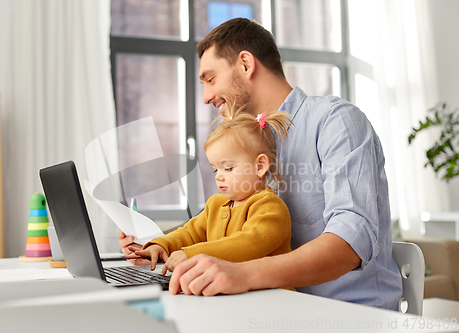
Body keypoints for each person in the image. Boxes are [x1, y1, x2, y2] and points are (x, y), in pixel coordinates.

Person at [119, 18, 402, 310]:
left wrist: (241, 274)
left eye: (210, 79)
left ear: (245, 64)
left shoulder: (335, 121)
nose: (205, 98)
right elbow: (211, 227)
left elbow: (350, 245)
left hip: (348, 315)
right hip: (274, 308)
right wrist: (158, 246)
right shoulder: (247, 143)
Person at [126, 105, 294, 278]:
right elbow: (189, 233)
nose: (218, 177)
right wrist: (161, 246)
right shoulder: (215, 205)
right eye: (215, 170)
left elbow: (248, 244)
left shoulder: (270, 207)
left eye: (228, 168)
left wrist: (191, 254)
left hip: (272, 297)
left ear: (260, 166)